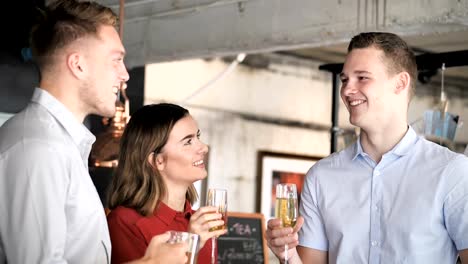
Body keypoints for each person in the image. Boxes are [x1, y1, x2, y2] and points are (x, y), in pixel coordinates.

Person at [0, 0, 187, 263]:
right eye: (116, 60)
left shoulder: (58, 144)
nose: (125, 75)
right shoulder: (39, 148)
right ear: (78, 65)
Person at [266, 32, 468, 264]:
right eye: (344, 79)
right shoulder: (321, 176)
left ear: (400, 83)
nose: (346, 90)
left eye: (362, 78)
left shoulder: (453, 172)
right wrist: (289, 255)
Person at [106, 103, 227, 264]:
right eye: (188, 142)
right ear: (158, 160)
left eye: (197, 137)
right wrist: (190, 244)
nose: (204, 148)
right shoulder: (124, 222)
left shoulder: (201, 224)